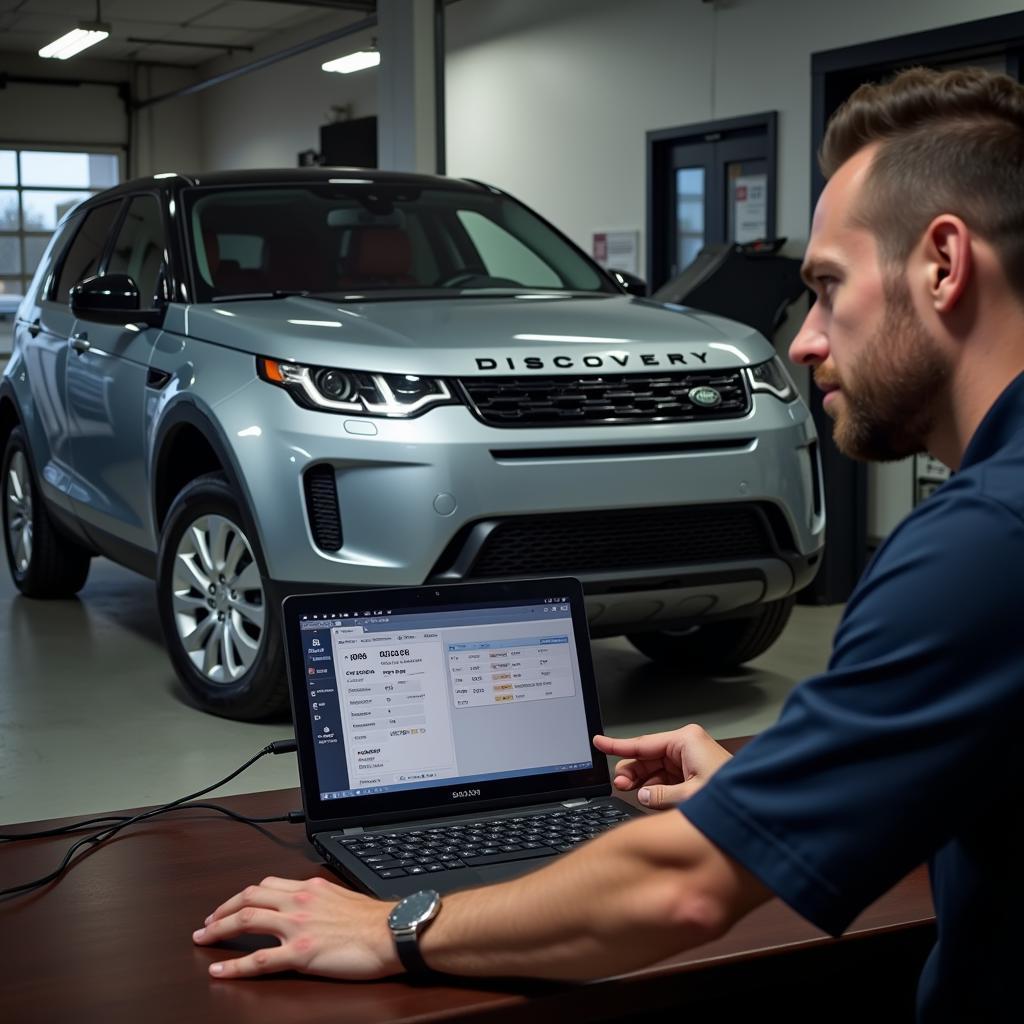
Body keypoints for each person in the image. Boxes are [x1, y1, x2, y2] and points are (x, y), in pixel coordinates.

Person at [192, 66, 1024, 1020]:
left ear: (945, 265)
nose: (803, 341)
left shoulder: (980, 548)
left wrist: (393, 926)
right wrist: (775, 787)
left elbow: (681, 888)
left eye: (828, 288)